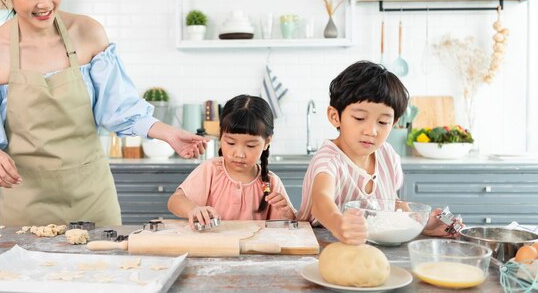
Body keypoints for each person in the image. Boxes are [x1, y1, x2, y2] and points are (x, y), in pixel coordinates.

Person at [0, 0, 205, 226]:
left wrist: (167, 133)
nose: (46, 3)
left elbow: (119, 108)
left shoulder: (87, 32)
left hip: (92, 194)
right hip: (27, 199)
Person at [297, 61, 454, 244]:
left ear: (394, 124)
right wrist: (340, 225)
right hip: (320, 246)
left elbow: (390, 205)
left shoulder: (387, 155)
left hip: (371, 248)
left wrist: (423, 222)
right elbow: (320, 202)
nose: (371, 130)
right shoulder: (329, 160)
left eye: (383, 122)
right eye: (360, 118)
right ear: (335, 117)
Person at [168, 95, 296, 227]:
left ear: (267, 142)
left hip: (254, 247)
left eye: (250, 145)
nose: (239, 154)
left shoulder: (270, 183)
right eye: (230, 142)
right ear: (220, 136)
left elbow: (286, 224)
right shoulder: (211, 170)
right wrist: (193, 209)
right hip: (212, 246)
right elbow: (175, 200)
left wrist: (288, 214)